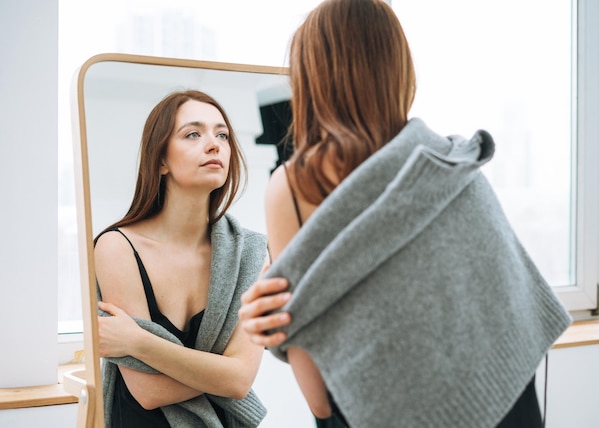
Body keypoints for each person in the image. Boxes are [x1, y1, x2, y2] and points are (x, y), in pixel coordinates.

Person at [237, 0, 572, 427]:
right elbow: (514, 316)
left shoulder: (293, 185)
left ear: (314, 80)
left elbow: (319, 397)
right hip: (508, 406)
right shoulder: (452, 165)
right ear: (399, 68)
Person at [95, 89, 268, 428]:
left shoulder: (250, 253)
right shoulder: (117, 247)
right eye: (193, 134)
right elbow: (147, 390)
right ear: (160, 160)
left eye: (222, 135)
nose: (214, 144)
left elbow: (239, 381)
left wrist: (138, 341)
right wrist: (219, 371)